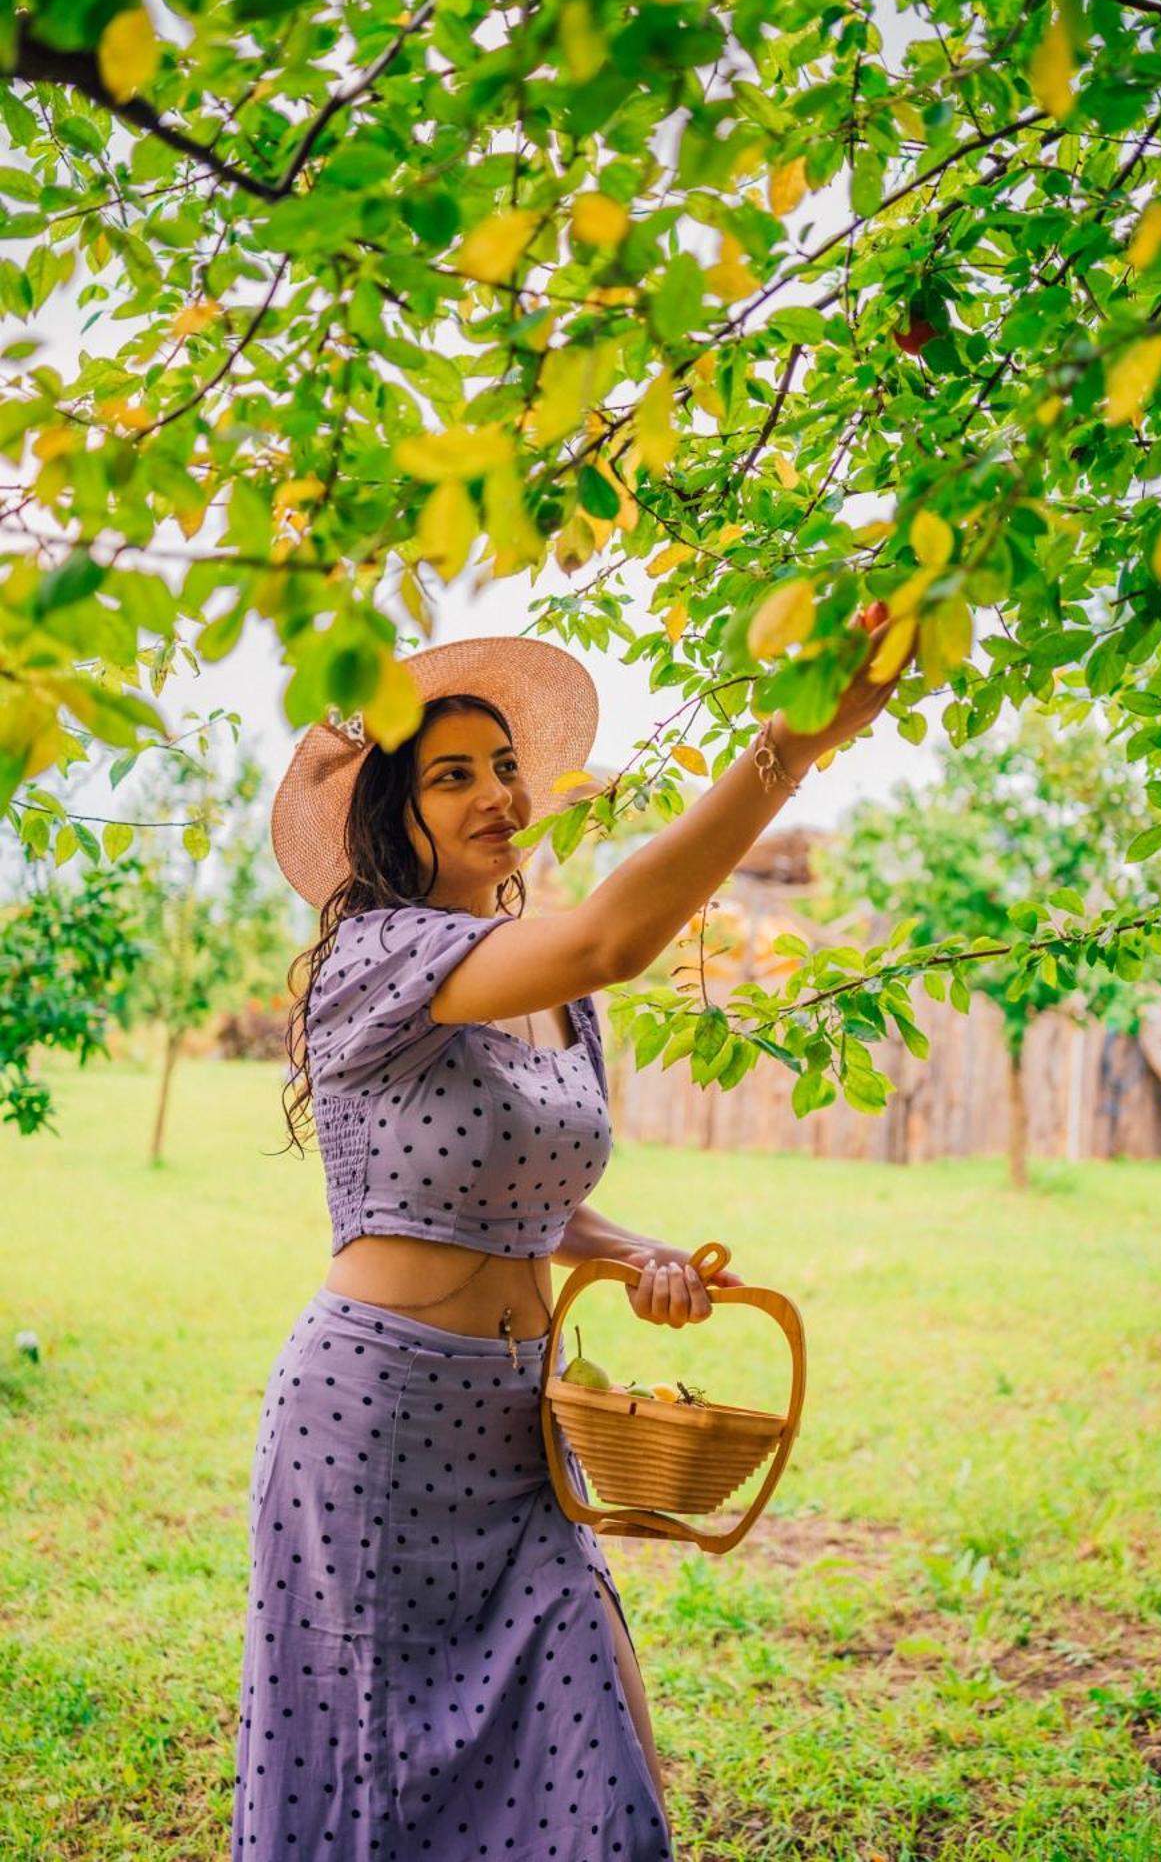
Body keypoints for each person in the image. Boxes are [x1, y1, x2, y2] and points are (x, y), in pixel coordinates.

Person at [232, 612, 897, 1861]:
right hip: (372, 1427)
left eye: (499, 766)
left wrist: (629, 1248)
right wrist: (787, 744)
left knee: (594, 1767)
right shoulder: (374, 956)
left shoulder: (554, 993)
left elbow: (530, 1191)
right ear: (390, 814)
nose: (495, 792)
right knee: (374, 1792)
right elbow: (614, 932)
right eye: (450, 775)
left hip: (522, 1433)